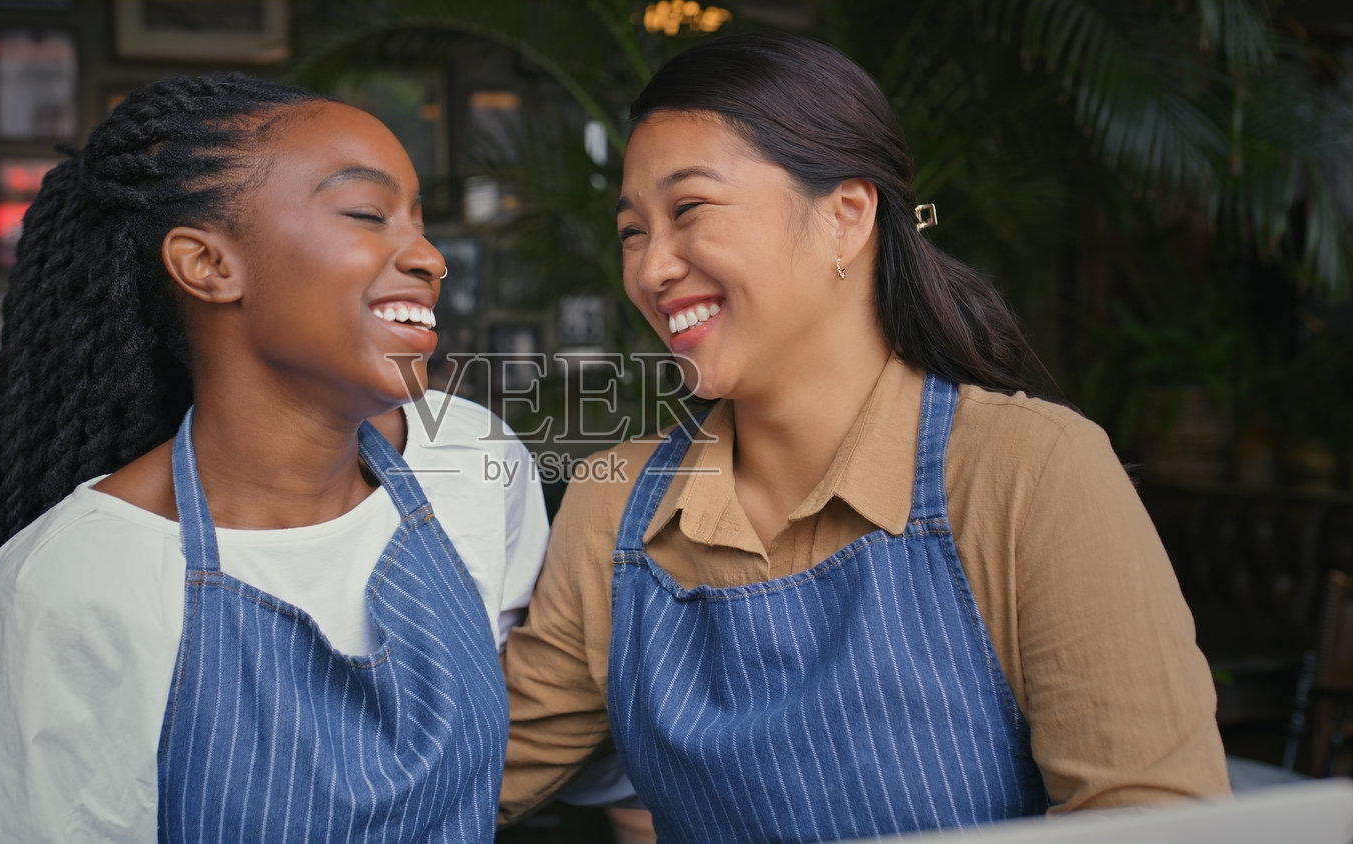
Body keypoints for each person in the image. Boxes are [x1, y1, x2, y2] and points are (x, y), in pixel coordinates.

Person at [497, 32, 1230, 844]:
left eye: (689, 209)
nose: (651, 268)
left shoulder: (1029, 472)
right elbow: (468, 778)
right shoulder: (614, 503)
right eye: (633, 231)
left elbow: (1153, 822)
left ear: (846, 217)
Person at [0, 74, 548, 843]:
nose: (429, 256)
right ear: (208, 265)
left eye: (418, 221)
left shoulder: (471, 460)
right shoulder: (73, 583)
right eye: (367, 213)